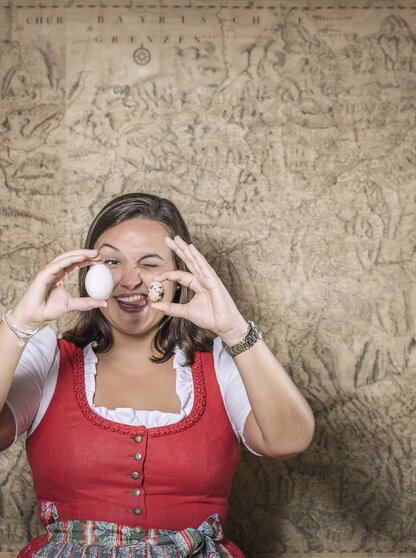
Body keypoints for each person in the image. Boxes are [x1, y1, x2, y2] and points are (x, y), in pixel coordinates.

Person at [0, 193, 315, 557]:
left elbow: (289, 439)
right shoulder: (48, 357)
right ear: (89, 272)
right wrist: (20, 323)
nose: (130, 279)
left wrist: (233, 329)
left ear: (179, 277)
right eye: (112, 261)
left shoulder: (222, 363)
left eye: (149, 264)